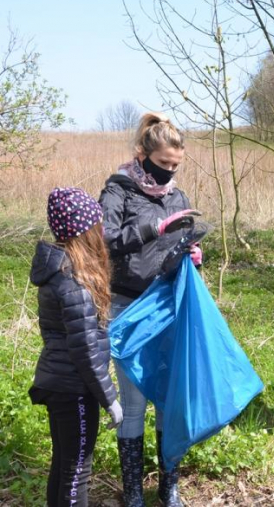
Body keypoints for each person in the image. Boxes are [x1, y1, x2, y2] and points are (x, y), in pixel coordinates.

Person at [99, 112, 200, 507]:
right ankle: (135, 491)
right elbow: (103, 240)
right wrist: (152, 229)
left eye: (175, 166)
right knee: (136, 400)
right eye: (162, 165)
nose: (168, 173)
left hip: (166, 302)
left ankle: (169, 486)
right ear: (142, 154)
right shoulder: (118, 189)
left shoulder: (178, 196)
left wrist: (193, 253)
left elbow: (185, 237)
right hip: (127, 304)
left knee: (167, 396)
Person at [29, 187, 124, 506]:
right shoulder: (72, 281)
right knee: (77, 473)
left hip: (58, 384)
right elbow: (85, 349)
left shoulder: (58, 271)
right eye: (97, 224)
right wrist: (109, 398)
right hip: (74, 390)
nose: (102, 230)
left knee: (64, 466)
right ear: (84, 231)